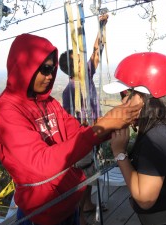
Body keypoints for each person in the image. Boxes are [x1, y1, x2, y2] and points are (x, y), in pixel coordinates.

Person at [0, 33, 143, 225]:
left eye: (52, 69)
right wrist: (105, 125)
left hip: (67, 202)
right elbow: (40, 164)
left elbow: (76, 132)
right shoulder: (4, 112)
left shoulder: (49, 103)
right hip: (42, 214)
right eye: (44, 69)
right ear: (24, 68)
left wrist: (121, 120)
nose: (50, 75)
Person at [103, 52, 166, 225]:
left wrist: (119, 152)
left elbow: (145, 199)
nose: (122, 102)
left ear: (141, 96)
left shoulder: (155, 138)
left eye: (124, 94)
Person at [59, 14, 108, 225]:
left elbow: (97, 54)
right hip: (81, 138)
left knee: (90, 172)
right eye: (78, 59)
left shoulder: (85, 76)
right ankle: (79, 215)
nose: (83, 59)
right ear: (73, 68)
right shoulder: (70, 91)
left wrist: (102, 27)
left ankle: (87, 203)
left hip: (92, 134)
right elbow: (71, 121)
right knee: (81, 176)